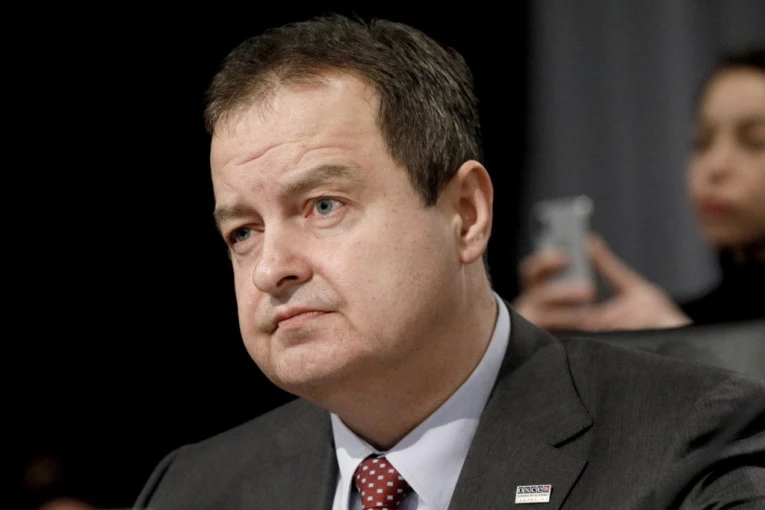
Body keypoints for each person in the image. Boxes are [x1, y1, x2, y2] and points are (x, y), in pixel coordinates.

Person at [134, 15, 765, 509]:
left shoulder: (692, 442)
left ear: (466, 214)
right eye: (243, 232)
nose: (271, 269)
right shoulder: (190, 489)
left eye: (324, 205)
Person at [514, 46, 765, 332]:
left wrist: (681, 344)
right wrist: (514, 340)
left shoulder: (675, 324)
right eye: (702, 142)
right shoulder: (681, 317)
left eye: (755, 142)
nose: (715, 166)